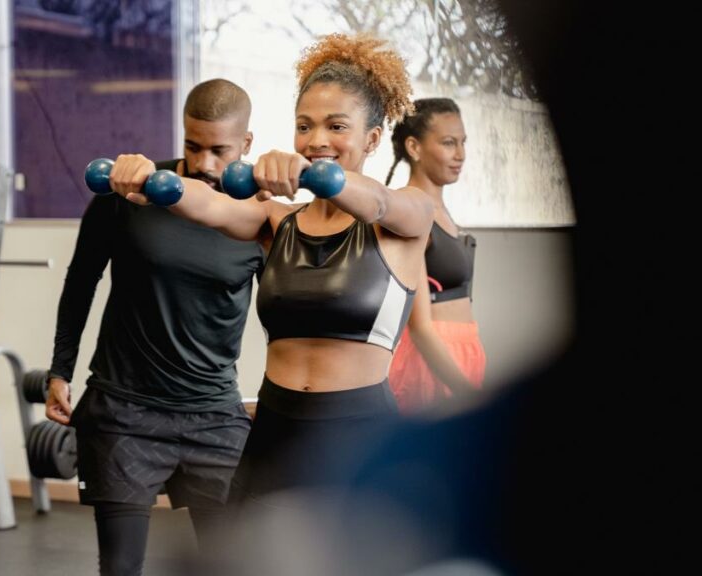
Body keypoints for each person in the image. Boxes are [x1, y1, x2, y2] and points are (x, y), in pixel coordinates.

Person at [105, 33, 433, 515]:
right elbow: (211, 206)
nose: (317, 140)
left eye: (336, 126)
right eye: (304, 126)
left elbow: (380, 202)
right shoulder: (277, 221)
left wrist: (318, 176)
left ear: (372, 138)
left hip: (359, 435)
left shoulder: (407, 215)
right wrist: (153, 181)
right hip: (275, 432)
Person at [44, 79, 263, 576]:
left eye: (220, 150)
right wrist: (60, 369)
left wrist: (282, 397)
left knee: (231, 564)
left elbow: (283, 313)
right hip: (124, 410)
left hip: (213, 412)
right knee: (120, 567)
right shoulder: (130, 192)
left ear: (246, 143)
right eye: (193, 145)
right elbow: (81, 281)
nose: (204, 163)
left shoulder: (257, 215)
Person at [384, 98, 485, 411]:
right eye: (448, 143)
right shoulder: (411, 212)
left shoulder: (441, 211)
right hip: (430, 364)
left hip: (463, 352)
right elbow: (420, 328)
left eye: (463, 143)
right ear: (414, 147)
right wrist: (468, 394)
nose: (460, 154)